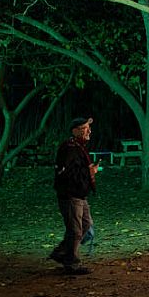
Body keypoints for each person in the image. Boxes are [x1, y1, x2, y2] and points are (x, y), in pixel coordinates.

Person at [49, 117, 99, 274]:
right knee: (76, 230)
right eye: (85, 128)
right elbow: (67, 173)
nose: (89, 131)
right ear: (75, 130)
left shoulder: (78, 147)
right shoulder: (69, 148)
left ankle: (62, 253)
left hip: (79, 194)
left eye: (88, 128)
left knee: (85, 225)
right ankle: (71, 263)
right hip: (71, 195)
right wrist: (89, 171)